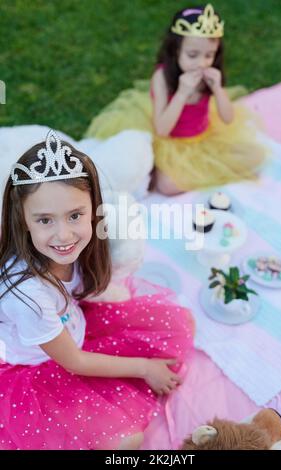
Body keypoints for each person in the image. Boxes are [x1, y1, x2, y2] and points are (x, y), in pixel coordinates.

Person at [0, 130, 194, 450]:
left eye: (75, 215)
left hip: (71, 324)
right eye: (45, 220)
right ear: (24, 221)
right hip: (39, 362)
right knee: (126, 442)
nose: (64, 235)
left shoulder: (79, 246)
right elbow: (74, 362)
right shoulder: (28, 296)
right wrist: (144, 369)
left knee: (178, 325)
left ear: (93, 209)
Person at [86, 4, 269, 195]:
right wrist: (182, 93)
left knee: (256, 157)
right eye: (192, 55)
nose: (201, 63)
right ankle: (164, 170)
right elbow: (162, 129)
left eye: (209, 55)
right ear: (175, 51)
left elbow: (228, 118)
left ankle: (206, 169)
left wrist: (217, 88)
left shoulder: (209, 76)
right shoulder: (162, 77)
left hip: (204, 136)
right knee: (168, 186)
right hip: (171, 140)